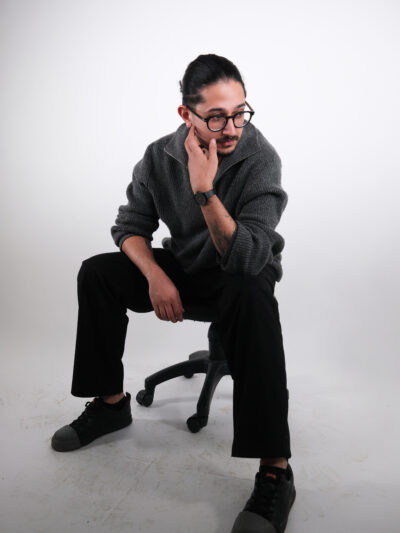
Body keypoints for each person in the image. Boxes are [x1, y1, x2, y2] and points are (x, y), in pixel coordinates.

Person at [51, 53, 296, 533]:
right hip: (185, 268)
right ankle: (110, 405)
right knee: (97, 273)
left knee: (251, 292)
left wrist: (204, 189)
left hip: (242, 272)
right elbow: (129, 226)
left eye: (240, 112)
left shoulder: (260, 159)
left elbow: (247, 257)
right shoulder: (159, 156)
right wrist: (155, 276)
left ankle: (276, 470)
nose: (232, 127)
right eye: (217, 116)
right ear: (187, 114)